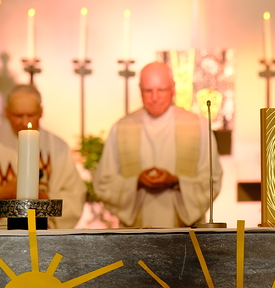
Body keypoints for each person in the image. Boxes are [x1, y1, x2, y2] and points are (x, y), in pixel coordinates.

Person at [94, 61, 222, 228]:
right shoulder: (121, 127)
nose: (154, 98)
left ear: (173, 88)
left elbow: (212, 180)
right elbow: (104, 183)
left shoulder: (198, 126)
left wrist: (176, 181)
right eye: (148, 90)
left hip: (184, 231)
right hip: (135, 232)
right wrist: (136, 182)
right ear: (140, 90)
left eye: (161, 90)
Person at [0, 84, 86, 229]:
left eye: (31, 115)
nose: (25, 122)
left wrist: (43, 197)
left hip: (43, 231)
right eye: (18, 115)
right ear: (7, 113)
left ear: (41, 112)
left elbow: (75, 196)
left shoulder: (58, 147)